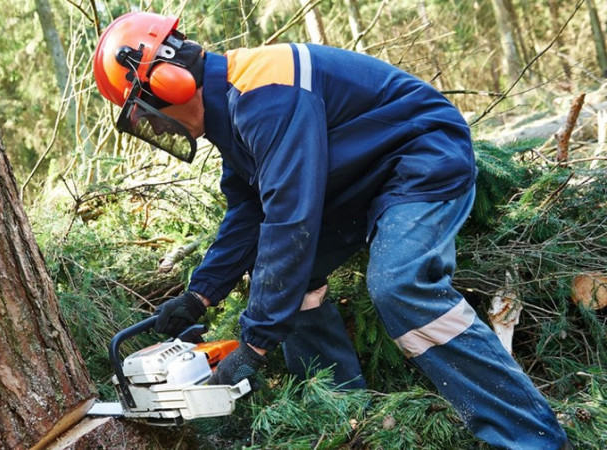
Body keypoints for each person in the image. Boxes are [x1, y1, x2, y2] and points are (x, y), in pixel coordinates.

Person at [92, 11, 569, 449]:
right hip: (356, 180)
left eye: (145, 111)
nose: (153, 126)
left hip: (420, 157)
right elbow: (249, 213)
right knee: (285, 282)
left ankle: (531, 436)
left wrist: (254, 345)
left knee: (400, 285)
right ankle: (345, 418)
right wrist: (200, 295)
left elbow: (290, 218)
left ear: (169, 83)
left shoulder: (265, 94)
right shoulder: (231, 111)